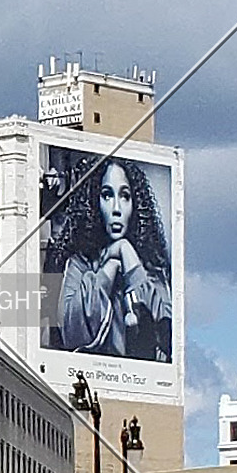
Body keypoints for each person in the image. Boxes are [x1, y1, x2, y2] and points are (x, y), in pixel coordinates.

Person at [49, 154, 172, 361]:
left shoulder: (154, 270)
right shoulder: (78, 265)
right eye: (107, 195)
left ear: (136, 204)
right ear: (94, 203)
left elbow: (167, 333)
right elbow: (70, 332)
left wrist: (127, 253)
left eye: (124, 196)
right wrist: (109, 268)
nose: (116, 209)